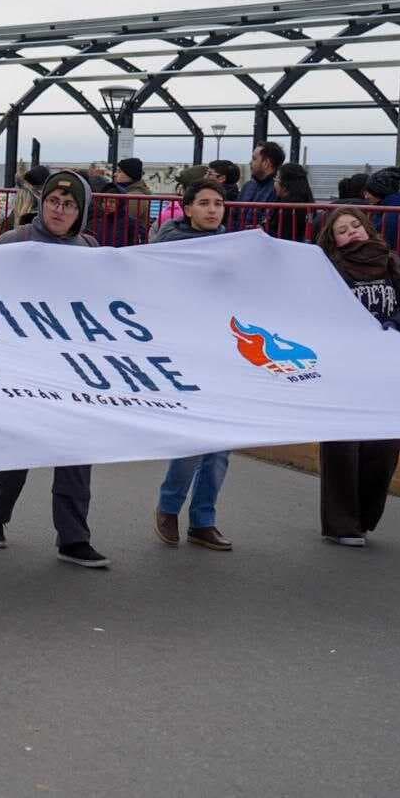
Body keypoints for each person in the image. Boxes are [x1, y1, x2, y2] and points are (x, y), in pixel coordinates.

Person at [0, 170, 109, 568]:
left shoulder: (90, 249)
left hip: (73, 368)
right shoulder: (13, 242)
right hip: (21, 365)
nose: (59, 210)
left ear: (80, 212)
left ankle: (73, 538)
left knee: (75, 453)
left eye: (69, 205)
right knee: (15, 452)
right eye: (53, 201)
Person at [314, 207, 400, 546]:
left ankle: (364, 517)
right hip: (344, 366)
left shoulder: (390, 260)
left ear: (367, 228)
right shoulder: (329, 268)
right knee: (342, 445)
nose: (352, 232)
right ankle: (342, 524)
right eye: (342, 230)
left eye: (355, 225)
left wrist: (395, 326)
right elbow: (319, 312)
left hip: (387, 364)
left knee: (386, 443)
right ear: (334, 240)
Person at [148, 181, 235, 550]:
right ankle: (168, 507)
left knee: (222, 445)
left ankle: (203, 520)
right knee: (193, 439)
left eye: (218, 203)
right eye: (204, 203)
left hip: (224, 352)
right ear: (187, 208)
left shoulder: (233, 247)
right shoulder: (169, 247)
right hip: (184, 352)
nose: (212, 210)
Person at [363, 165, 400, 252]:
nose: (366, 197)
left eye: (369, 192)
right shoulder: (398, 206)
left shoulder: (392, 215)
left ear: (379, 192)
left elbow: (391, 245)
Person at [235, 141, 285, 230]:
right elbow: (234, 216)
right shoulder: (247, 186)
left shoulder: (278, 190)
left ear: (266, 163)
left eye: (254, 159)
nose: (250, 162)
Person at [271, 162, 315, 240]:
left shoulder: (285, 209)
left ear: (285, 185)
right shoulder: (309, 204)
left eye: (276, 179)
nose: (274, 183)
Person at [113, 157, 152, 226]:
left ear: (130, 175)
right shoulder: (126, 192)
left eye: (119, 171)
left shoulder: (136, 197)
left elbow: (120, 220)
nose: (115, 174)